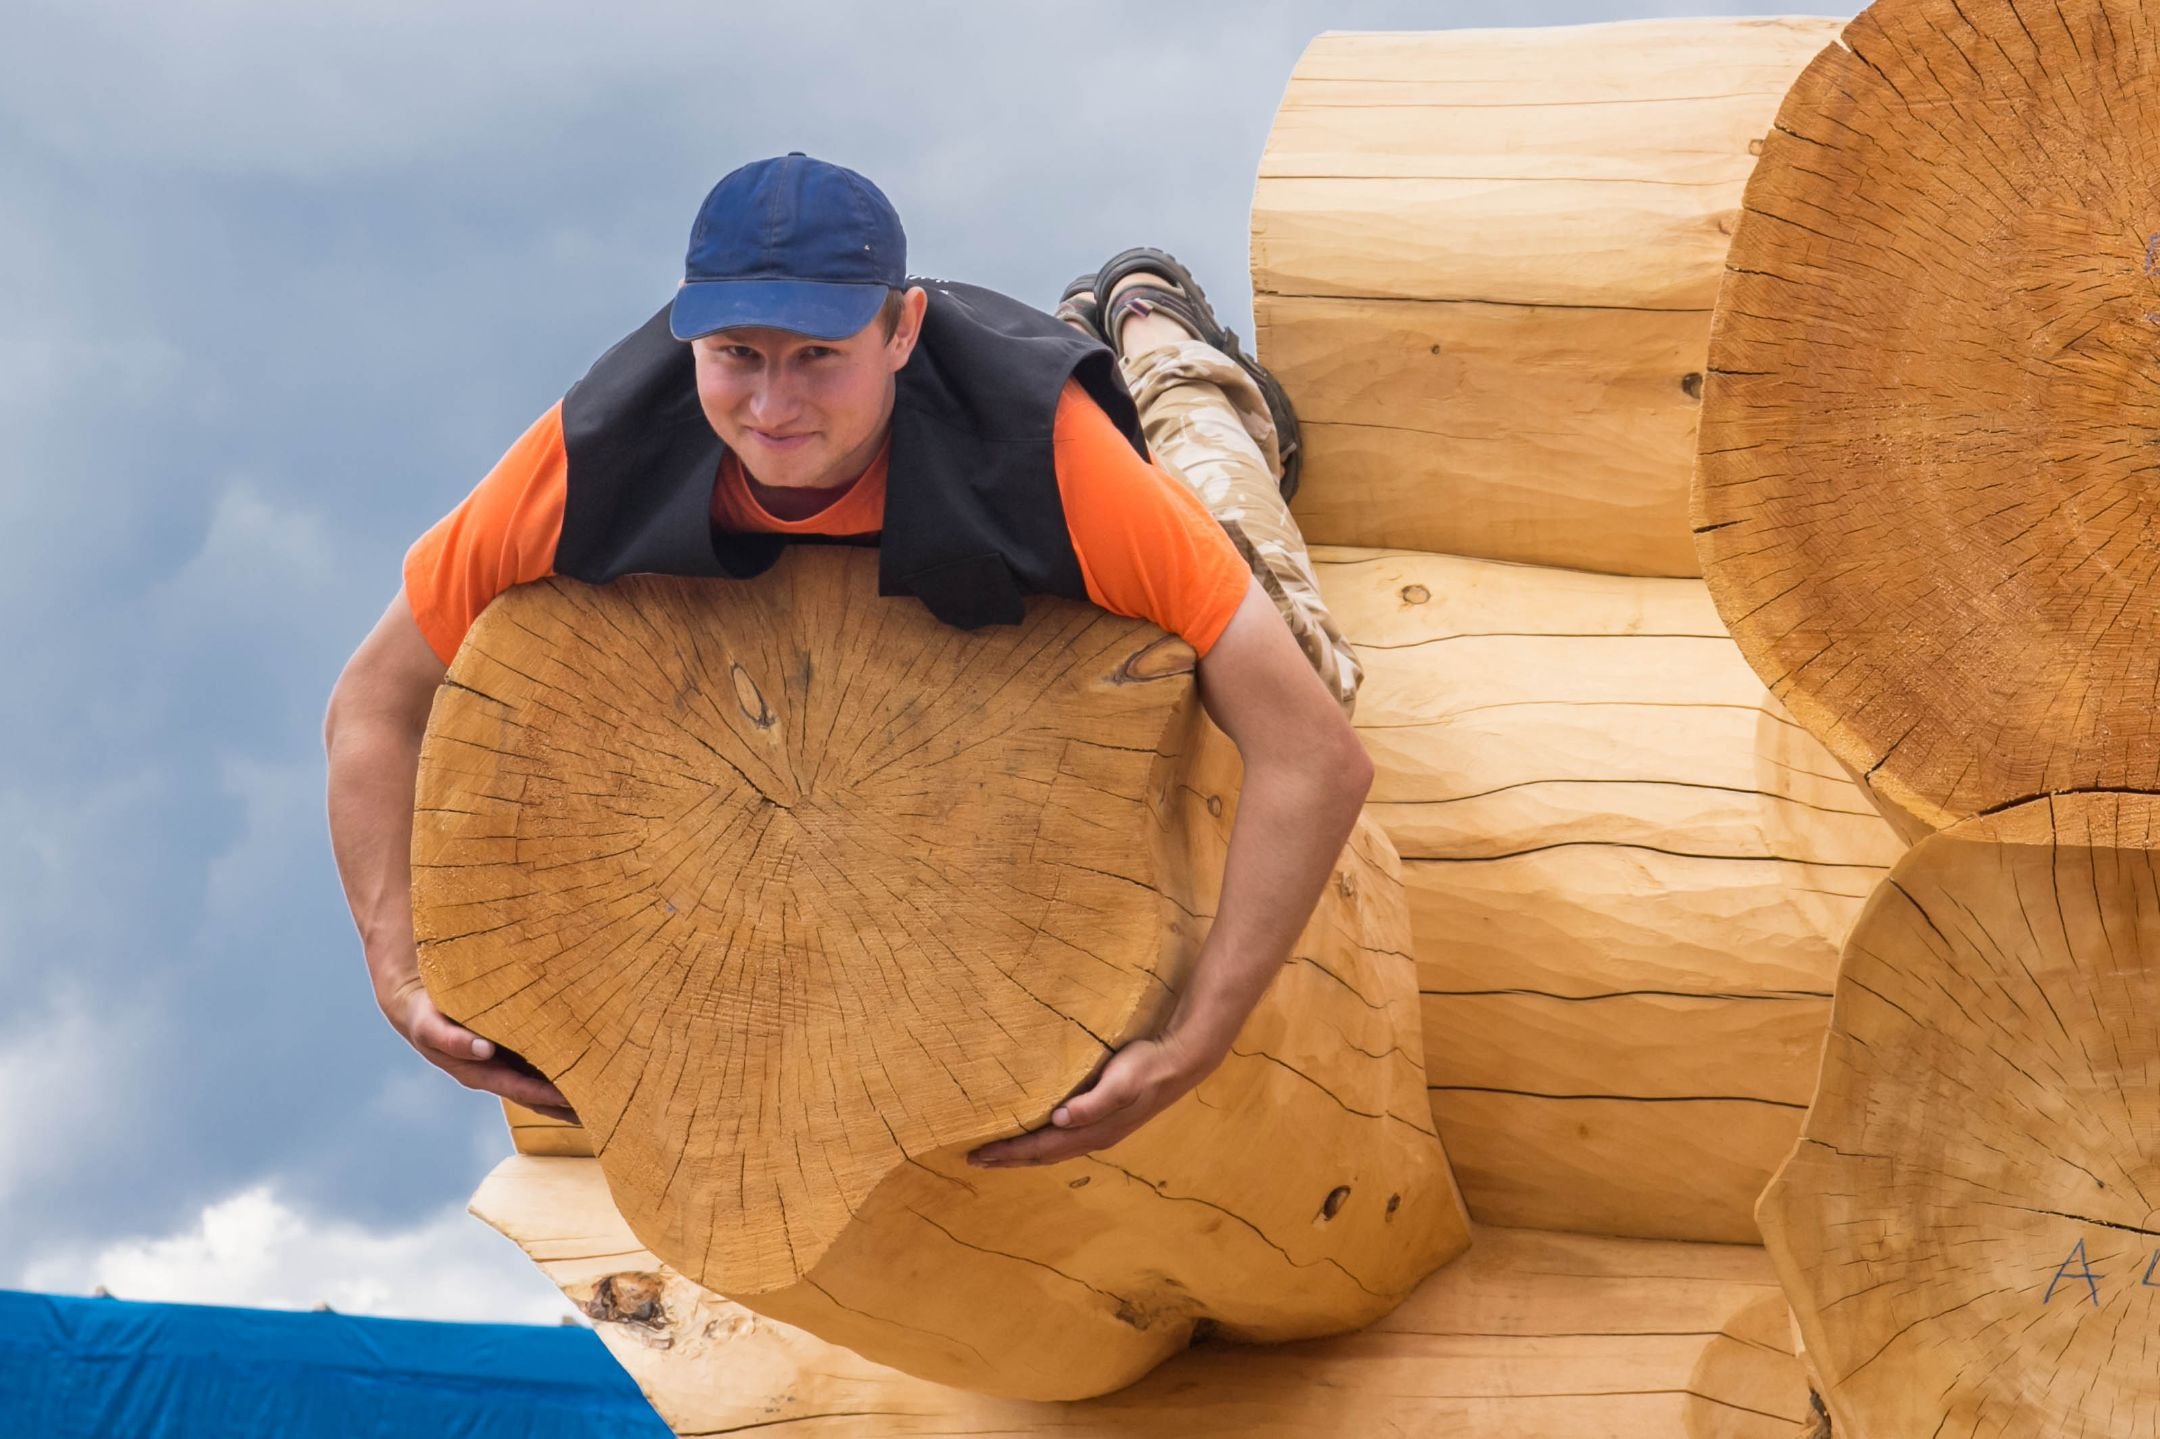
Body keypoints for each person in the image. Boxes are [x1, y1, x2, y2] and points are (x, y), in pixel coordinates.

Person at [323, 153, 1367, 1171]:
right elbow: (372, 700)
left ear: (900, 329)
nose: (772, 406)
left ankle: (1148, 328)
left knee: (1285, 619)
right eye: (736, 352)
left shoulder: (1051, 459)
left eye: (818, 354)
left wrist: (1195, 1043)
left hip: (1054, 487)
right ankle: (1063, 335)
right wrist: (397, 966)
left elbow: (1313, 756)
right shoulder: (600, 446)